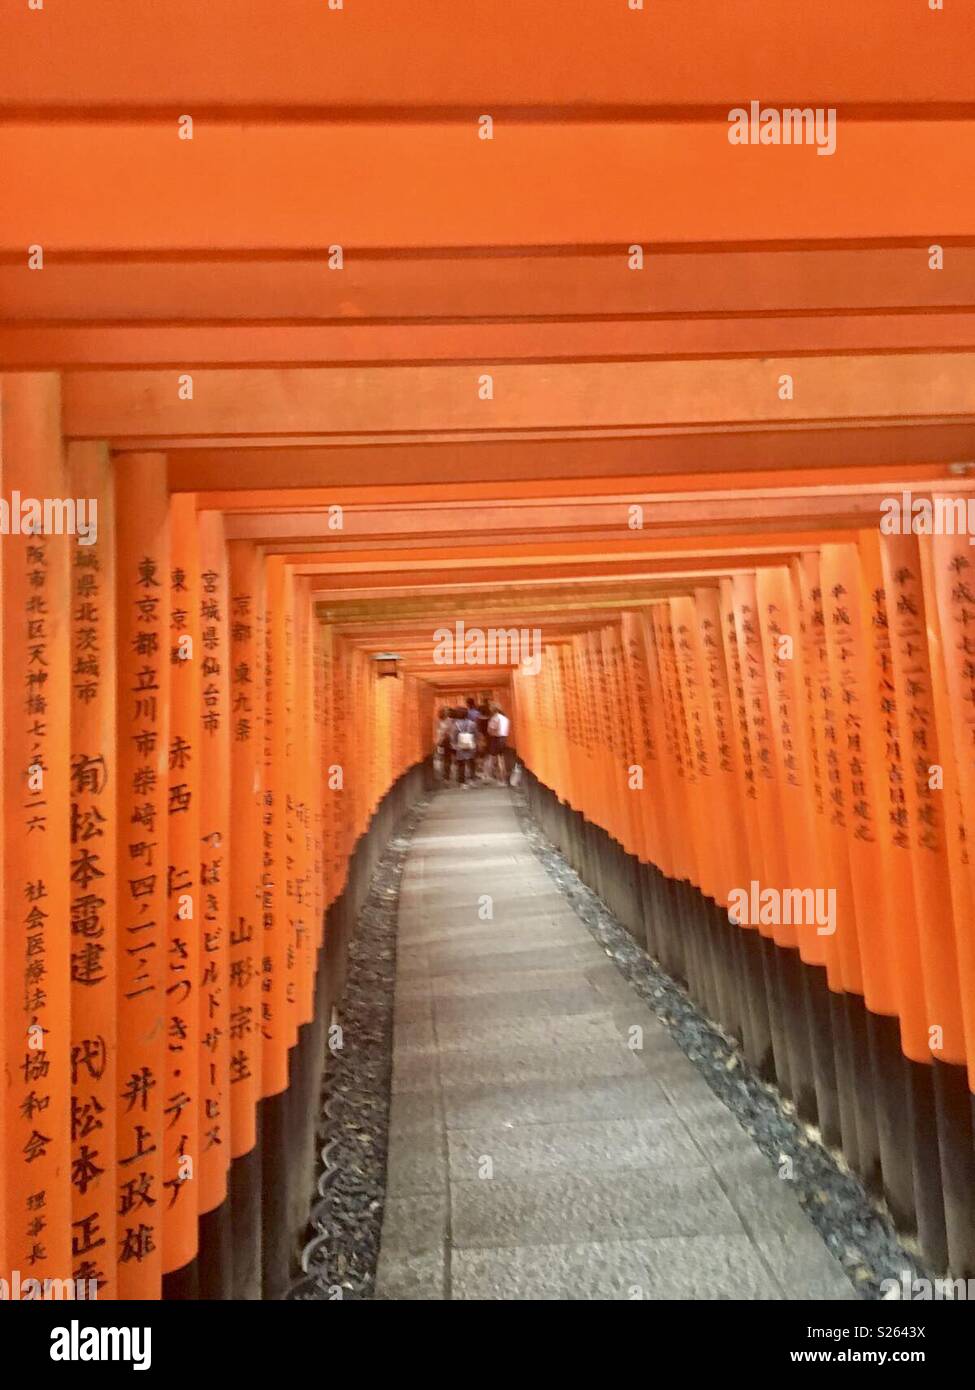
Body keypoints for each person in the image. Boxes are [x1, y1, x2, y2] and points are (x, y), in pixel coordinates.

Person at [451, 703, 479, 787]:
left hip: (460, 746)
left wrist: (454, 745)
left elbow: (453, 736)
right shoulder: (472, 723)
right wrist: (475, 743)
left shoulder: (455, 725)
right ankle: (472, 780)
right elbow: (476, 734)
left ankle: (462, 782)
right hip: (471, 745)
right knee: (471, 763)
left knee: (461, 764)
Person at [486, 703, 511, 782]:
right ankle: (504, 777)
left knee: (495, 758)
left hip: (496, 739)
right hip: (503, 738)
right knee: (502, 758)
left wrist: (490, 730)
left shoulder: (495, 718)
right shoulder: (505, 718)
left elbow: (491, 729)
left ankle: (498, 776)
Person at [435, 706, 454, 782]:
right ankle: (446, 776)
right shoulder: (449, 721)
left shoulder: (437, 722)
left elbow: (438, 732)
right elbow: (451, 732)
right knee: (447, 759)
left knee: (441, 758)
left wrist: (438, 741)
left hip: (440, 742)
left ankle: (443, 774)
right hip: (447, 741)